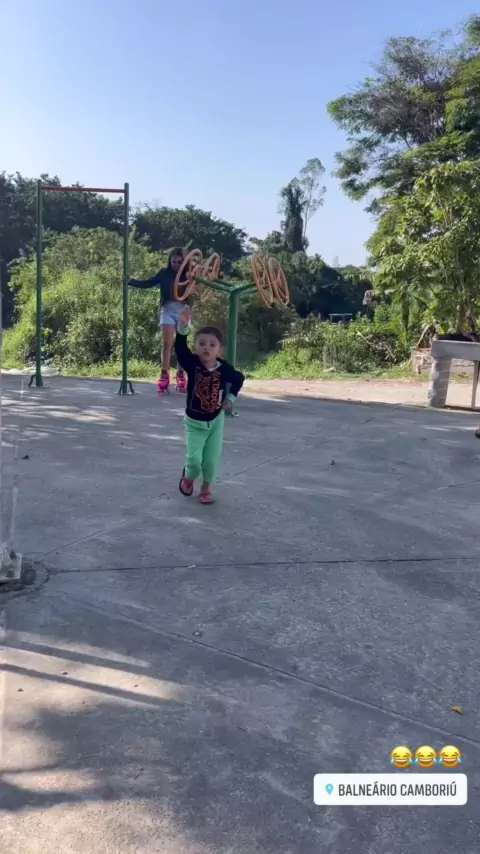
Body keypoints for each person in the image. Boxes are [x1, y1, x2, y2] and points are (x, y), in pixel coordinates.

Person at [175, 305, 244, 504]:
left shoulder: (225, 369)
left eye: (212, 345)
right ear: (196, 346)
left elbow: (239, 379)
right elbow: (180, 350)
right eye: (202, 343)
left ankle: (206, 488)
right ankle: (188, 477)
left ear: (220, 349)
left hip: (215, 421)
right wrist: (183, 328)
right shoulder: (193, 364)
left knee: (211, 460)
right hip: (194, 422)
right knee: (194, 461)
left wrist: (231, 398)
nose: (207, 347)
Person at [128, 248, 188, 394]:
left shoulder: (188, 275)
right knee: (167, 343)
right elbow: (149, 283)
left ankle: (181, 373)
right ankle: (164, 374)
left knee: (181, 344)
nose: (176, 264)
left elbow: (200, 285)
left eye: (179, 262)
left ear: (184, 262)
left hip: (183, 310)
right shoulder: (164, 273)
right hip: (167, 309)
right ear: (170, 261)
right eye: (174, 261)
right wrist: (130, 281)